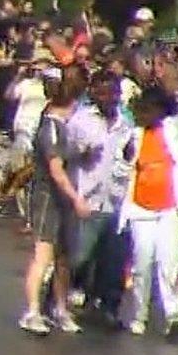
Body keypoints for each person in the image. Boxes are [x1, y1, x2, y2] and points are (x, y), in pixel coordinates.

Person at [18, 67, 86, 335]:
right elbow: (56, 170)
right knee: (43, 255)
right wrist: (76, 198)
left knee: (64, 257)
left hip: (64, 200)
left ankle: (60, 308)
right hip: (48, 197)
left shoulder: (64, 127)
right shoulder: (51, 128)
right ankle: (32, 310)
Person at [118, 86, 178, 336]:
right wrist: (126, 156)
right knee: (141, 260)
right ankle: (139, 313)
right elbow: (121, 167)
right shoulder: (133, 134)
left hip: (171, 207)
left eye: (148, 110)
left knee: (168, 261)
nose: (142, 115)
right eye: (141, 110)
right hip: (141, 208)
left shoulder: (173, 130)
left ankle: (175, 313)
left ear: (160, 111)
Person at [64, 71, 132, 325]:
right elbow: (64, 153)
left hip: (115, 199)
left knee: (113, 259)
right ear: (92, 93)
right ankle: (61, 293)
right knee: (79, 255)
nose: (108, 98)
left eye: (112, 93)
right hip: (87, 199)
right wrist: (80, 152)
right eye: (102, 92)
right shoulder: (81, 121)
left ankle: (109, 307)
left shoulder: (125, 124)